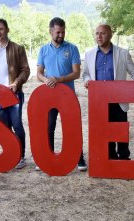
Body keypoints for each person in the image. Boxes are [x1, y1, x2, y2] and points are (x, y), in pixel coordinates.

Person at [83, 24, 134, 160]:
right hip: (99, 102)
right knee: (105, 132)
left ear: (110, 35)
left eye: (102, 33)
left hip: (119, 100)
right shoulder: (89, 54)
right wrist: (87, 80)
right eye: (97, 33)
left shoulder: (122, 53)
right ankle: (110, 159)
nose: (99, 36)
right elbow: (86, 74)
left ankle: (123, 158)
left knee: (120, 130)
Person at [37, 17, 87, 172]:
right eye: (58, 32)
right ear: (50, 31)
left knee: (72, 128)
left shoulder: (72, 48)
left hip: (68, 96)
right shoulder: (43, 50)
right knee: (49, 128)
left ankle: (79, 158)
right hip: (50, 97)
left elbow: (76, 73)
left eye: (63, 32)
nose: (61, 35)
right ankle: (47, 158)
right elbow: (38, 73)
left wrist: (59, 79)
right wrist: (46, 80)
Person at [0, 19, 30, 169]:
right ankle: (10, 155)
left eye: (1, 29)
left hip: (13, 94)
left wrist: (16, 83)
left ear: (7, 30)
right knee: (5, 127)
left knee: (17, 125)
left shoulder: (18, 48)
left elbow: (25, 70)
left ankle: (21, 156)